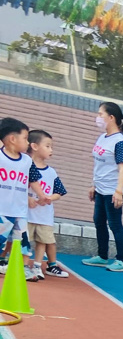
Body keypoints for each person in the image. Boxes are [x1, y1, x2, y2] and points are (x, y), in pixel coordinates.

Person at [82, 101, 123, 273]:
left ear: (111, 117)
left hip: (113, 191)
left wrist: (118, 191)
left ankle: (121, 260)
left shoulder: (120, 142)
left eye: (100, 114)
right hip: (100, 189)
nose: (97, 117)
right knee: (98, 221)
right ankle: (102, 256)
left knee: (115, 224)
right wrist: (93, 185)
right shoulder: (103, 137)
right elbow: (99, 165)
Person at [0, 117, 51, 281]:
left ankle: (22, 268)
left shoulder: (27, 161)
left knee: (22, 242)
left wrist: (42, 195)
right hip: (2, 211)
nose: (28, 143)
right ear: (12, 139)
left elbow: (33, 180)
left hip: (20, 212)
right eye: (25, 138)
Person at [27, 129, 69, 279]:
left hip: (44, 216)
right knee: (24, 240)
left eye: (52, 147)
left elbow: (60, 191)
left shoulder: (51, 172)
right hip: (26, 214)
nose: (51, 150)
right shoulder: (25, 166)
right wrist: (28, 199)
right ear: (34, 146)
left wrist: (50, 198)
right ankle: (20, 264)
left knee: (43, 241)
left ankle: (37, 266)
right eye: (48, 146)